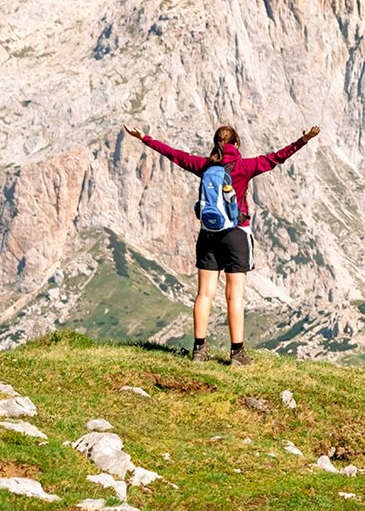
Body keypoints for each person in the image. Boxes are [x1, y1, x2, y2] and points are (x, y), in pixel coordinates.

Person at [123, 122, 320, 364]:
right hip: (236, 234)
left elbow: (173, 154)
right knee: (234, 296)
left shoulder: (204, 166)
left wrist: (144, 137)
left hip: (208, 235)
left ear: (216, 143)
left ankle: (199, 350)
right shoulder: (245, 166)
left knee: (204, 294)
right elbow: (277, 157)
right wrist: (304, 140)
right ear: (236, 144)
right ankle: (237, 354)